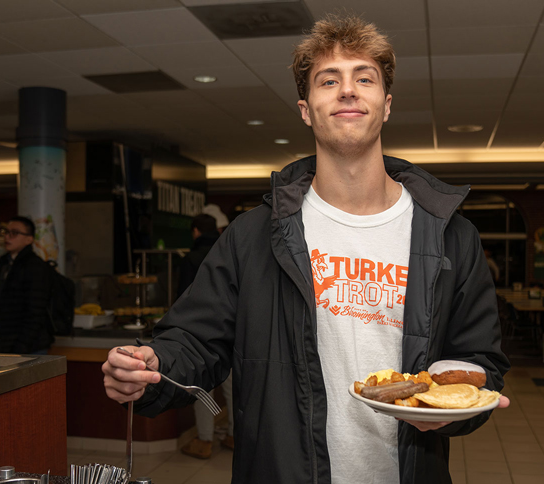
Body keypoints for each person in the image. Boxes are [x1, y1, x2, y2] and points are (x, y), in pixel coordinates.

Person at [102, 15, 510, 484]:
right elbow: (196, 341)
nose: (348, 90)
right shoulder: (253, 236)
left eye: (364, 78)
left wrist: (448, 404)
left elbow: (479, 360)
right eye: (328, 80)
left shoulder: (451, 237)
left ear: (387, 104)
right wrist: (153, 366)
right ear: (305, 108)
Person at [176, 213, 235, 459]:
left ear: (196, 231)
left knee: (202, 389)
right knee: (233, 388)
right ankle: (234, 434)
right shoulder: (231, 253)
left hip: (202, 334)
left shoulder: (192, 259)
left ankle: (204, 439)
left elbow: (183, 300)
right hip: (233, 331)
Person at [0, 216, 53, 354]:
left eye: (14, 233)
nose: (8, 237)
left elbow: (36, 310)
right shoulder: (5, 262)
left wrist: (23, 344)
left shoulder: (35, 266)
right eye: (6, 232)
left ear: (29, 239)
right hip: (6, 339)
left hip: (29, 343)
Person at [177, 213, 221, 298]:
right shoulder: (226, 252)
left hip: (199, 308)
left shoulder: (191, 259)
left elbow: (184, 293)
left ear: (196, 231)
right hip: (226, 309)